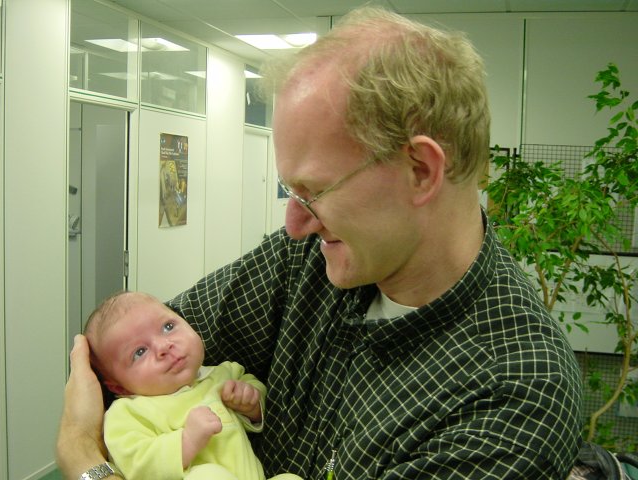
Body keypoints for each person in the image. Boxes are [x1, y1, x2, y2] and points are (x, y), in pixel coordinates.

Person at [57, 6, 584, 479]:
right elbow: (121, 367)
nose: (293, 223)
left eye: (315, 191)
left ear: (420, 170)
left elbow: (93, 426)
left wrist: (86, 463)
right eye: (291, 191)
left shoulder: (513, 395)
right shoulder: (307, 259)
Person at [83, 291, 302, 480]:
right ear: (119, 388)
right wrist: (185, 441)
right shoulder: (128, 413)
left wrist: (251, 403)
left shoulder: (224, 374)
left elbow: (261, 403)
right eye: (140, 352)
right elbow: (135, 464)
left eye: (168, 327)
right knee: (206, 476)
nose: (164, 346)